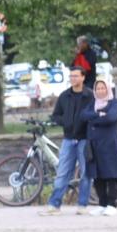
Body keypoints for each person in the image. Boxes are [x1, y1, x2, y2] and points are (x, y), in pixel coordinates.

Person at [40, 67, 94, 216]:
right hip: (68, 139)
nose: (73, 79)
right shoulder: (64, 96)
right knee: (63, 172)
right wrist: (66, 122)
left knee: (86, 173)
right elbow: (56, 115)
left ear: (83, 77)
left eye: (76, 76)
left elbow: (94, 115)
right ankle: (54, 204)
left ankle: (82, 205)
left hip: (84, 139)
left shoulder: (89, 96)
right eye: (71, 76)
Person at [81, 77, 117, 216]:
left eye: (103, 88)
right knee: (97, 175)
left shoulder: (114, 103)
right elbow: (83, 115)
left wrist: (95, 119)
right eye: (98, 88)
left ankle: (112, 204)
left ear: (107, 89)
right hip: (94, 144)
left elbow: (111, 117)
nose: (100, 91)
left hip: (109, 144)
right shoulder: (92, 103)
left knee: (111, 174)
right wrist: (98, 114)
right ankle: (102, 203)